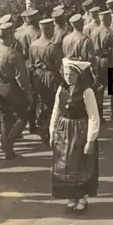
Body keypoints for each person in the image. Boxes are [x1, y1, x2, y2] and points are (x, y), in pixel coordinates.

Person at [49, 58, 100, 214]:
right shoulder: (61, 89)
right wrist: (52, 132)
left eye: (71, 75)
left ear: (78, 75)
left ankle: (82, 198)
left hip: (80, 131)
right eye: (65, 74)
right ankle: (72, 197)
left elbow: (93, 116)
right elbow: (56, 111)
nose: (68, 77)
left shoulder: (87, 91)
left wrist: (90, 140)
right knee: (66, 165)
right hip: (64, 131)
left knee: (80, 164)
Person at [0, 23, 32, 160]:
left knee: (4, 118)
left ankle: (7, 150)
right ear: (10, 35)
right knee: (23, 116)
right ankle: (9, 143)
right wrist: (28, 93)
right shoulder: (13, 54)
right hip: (11, 87)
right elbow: (21, 78)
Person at [28, 18, 63, 146]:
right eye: (52, 28)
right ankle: (47, 131)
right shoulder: (52, 46)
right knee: (52, 104)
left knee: (42, 103)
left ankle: (42, 127)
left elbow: (31, 65)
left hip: (37, 76)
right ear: (47, 29)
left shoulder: (33, 45)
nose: (54, 30)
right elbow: (59, 66)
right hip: (50, 77)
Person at [90, 10, 113, 122]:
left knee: (99, 89)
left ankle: (100, 115)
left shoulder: (93, 32)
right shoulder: (112, 34)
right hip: (108, 61)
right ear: (109, 20)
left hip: (97, 61)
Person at [16, 9, 41, 135]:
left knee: (20, 95)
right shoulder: (36, 33)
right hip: (31, 65)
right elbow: (37, 51)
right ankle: (32, 123)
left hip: (18, 65)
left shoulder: (16, 32)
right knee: (34, 95)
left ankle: (19, 127)